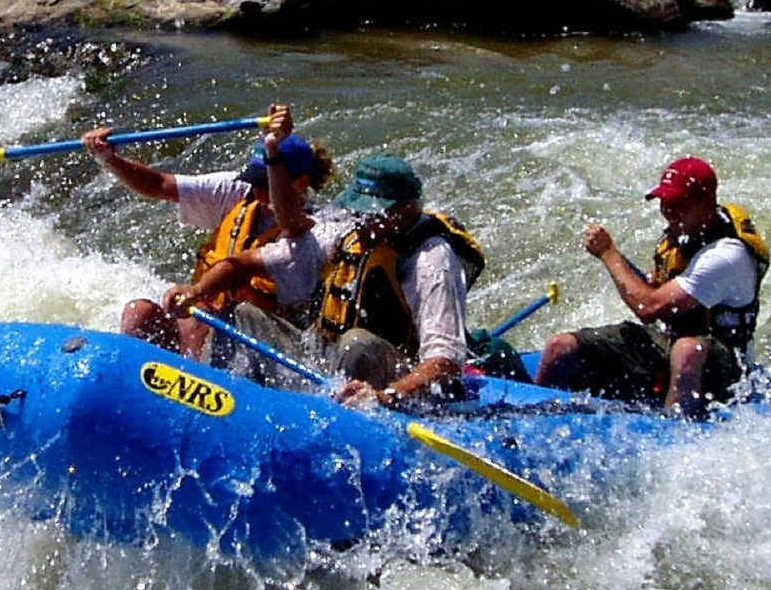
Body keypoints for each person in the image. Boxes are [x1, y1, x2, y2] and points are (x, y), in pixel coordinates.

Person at [83, 104, 333, 360]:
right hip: (203, 322)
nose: (258, 193)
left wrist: (198, 293)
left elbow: (251, 259)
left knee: (204, 319)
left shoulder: (313, 232)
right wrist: (109, 159)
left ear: (300, 183)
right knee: (140, 313)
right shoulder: (237, 193)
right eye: (255, 183)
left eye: (266, 184)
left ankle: (190, 379)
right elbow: (160, 185)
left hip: (255, 346)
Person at [534, 156, 770, 418]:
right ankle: (531, 420)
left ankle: (676, 432)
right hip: (668, 339)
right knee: (559, 346)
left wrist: (608, 253)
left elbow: (648, 307)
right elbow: (664, 290)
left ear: (705, 203)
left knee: (687, 350)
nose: (668, 211)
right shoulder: (688, 226)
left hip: (724, 365)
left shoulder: (726, 255)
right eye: (665, 202)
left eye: (677, 204)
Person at [305, 154, 486, 409]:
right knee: (247, 315)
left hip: (395, 376)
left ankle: (342, 411)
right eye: (358, 211)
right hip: (335, 364)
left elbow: (445, 362)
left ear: (407, 210)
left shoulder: (433, 261)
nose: (362, 222)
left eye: (372, 214)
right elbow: (294, 249)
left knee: (355, 344)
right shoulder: (357, 231)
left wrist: (386, 395)